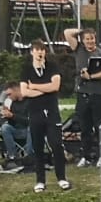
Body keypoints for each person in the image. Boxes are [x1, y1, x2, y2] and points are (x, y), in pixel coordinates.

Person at [17, 39, 70, 192]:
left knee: (56, 145)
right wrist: (43, 90)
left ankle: (62, 178)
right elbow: (25, 91)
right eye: (37, 50)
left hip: (52, 112)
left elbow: (55, 86)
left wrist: (34, 86)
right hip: (35, 113)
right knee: (37, 147)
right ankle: (40, 180)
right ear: (32, 52)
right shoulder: (26, 69)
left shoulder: (52, 67)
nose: (40, 52)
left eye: (42, 50)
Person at [73, 29, 101, 166]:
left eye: (92, 38)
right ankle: (86, 155)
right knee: (85, 126)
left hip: (98, 94)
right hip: (83, 93)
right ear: (82, 40)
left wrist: (91, 77)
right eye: (87, 39)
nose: (90, 41)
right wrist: (82, 31)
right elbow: (67, 33)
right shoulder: (79, 50)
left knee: (100, 126)